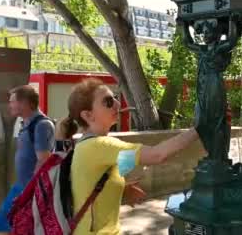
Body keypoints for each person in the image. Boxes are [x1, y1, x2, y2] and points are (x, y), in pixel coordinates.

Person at [67, 79, 199, 234]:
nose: (117, 104)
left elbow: (94, 183)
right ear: (88, 115)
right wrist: (200, 129)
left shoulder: (86, 145)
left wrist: (124, 189)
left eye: (115, 97)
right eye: (108, 102)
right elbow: (157, 155)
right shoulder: (100, 146)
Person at [0, 85, 55, 235]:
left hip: (29, 191)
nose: (10, 105)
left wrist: (29, 194)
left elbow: (44, 161)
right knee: (5, 226)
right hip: (21, 187)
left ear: (24, 103)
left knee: (2, 226)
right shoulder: (27, 124)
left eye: (12, 101)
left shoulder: (42, 125)